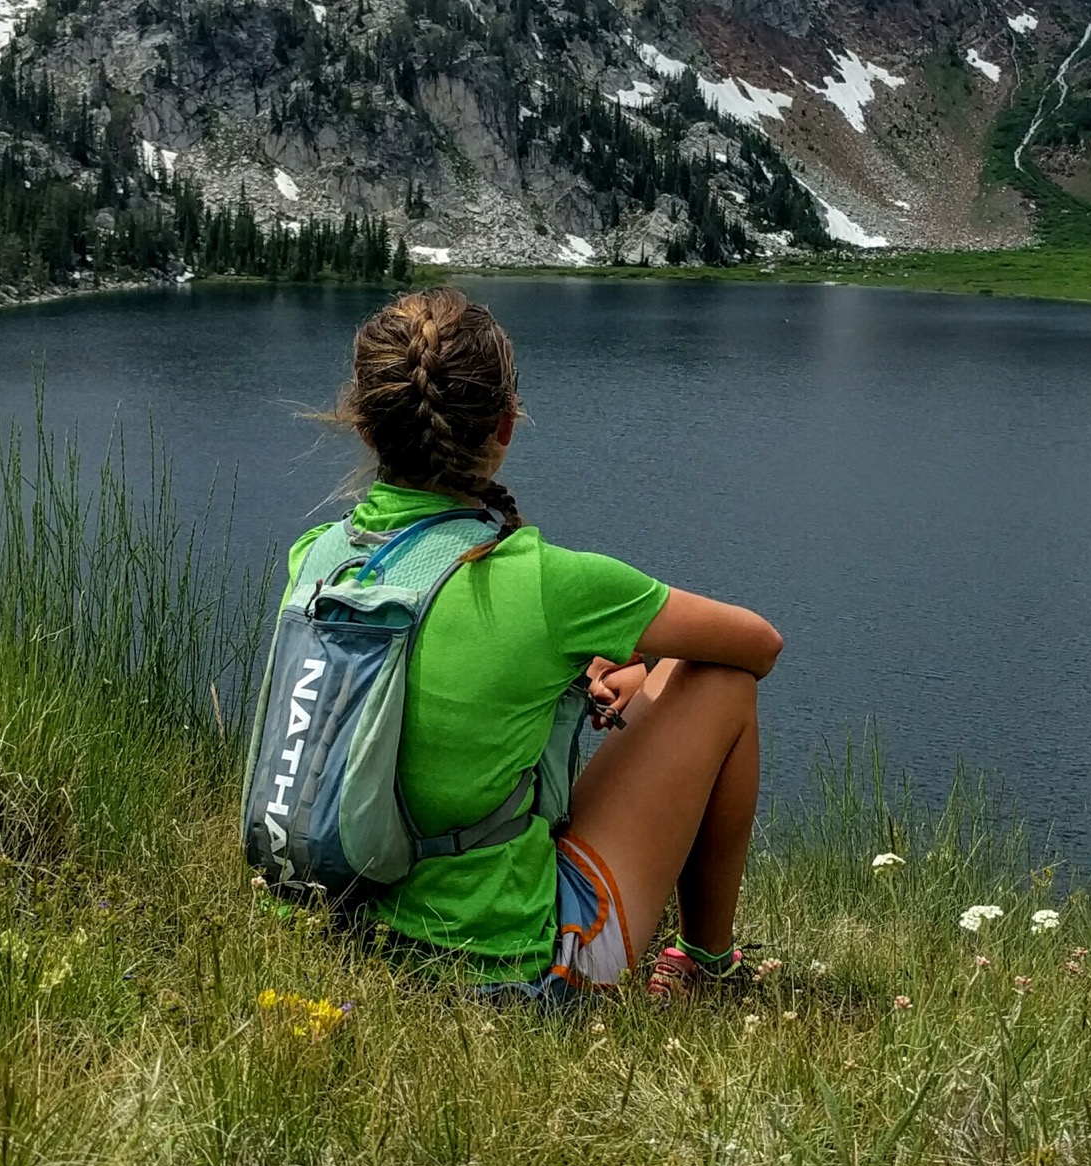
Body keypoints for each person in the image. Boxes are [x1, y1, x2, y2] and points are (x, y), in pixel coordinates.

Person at [295, 286, 782, 995]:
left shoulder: (319, 559)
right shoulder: (544, 581)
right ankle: (707, 964)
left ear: (367, 429)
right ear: (505, 427)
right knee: (720, 680)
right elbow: (759, 644)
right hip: (510, 966)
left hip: (342, 928)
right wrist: (646, 667)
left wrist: (590, 670)